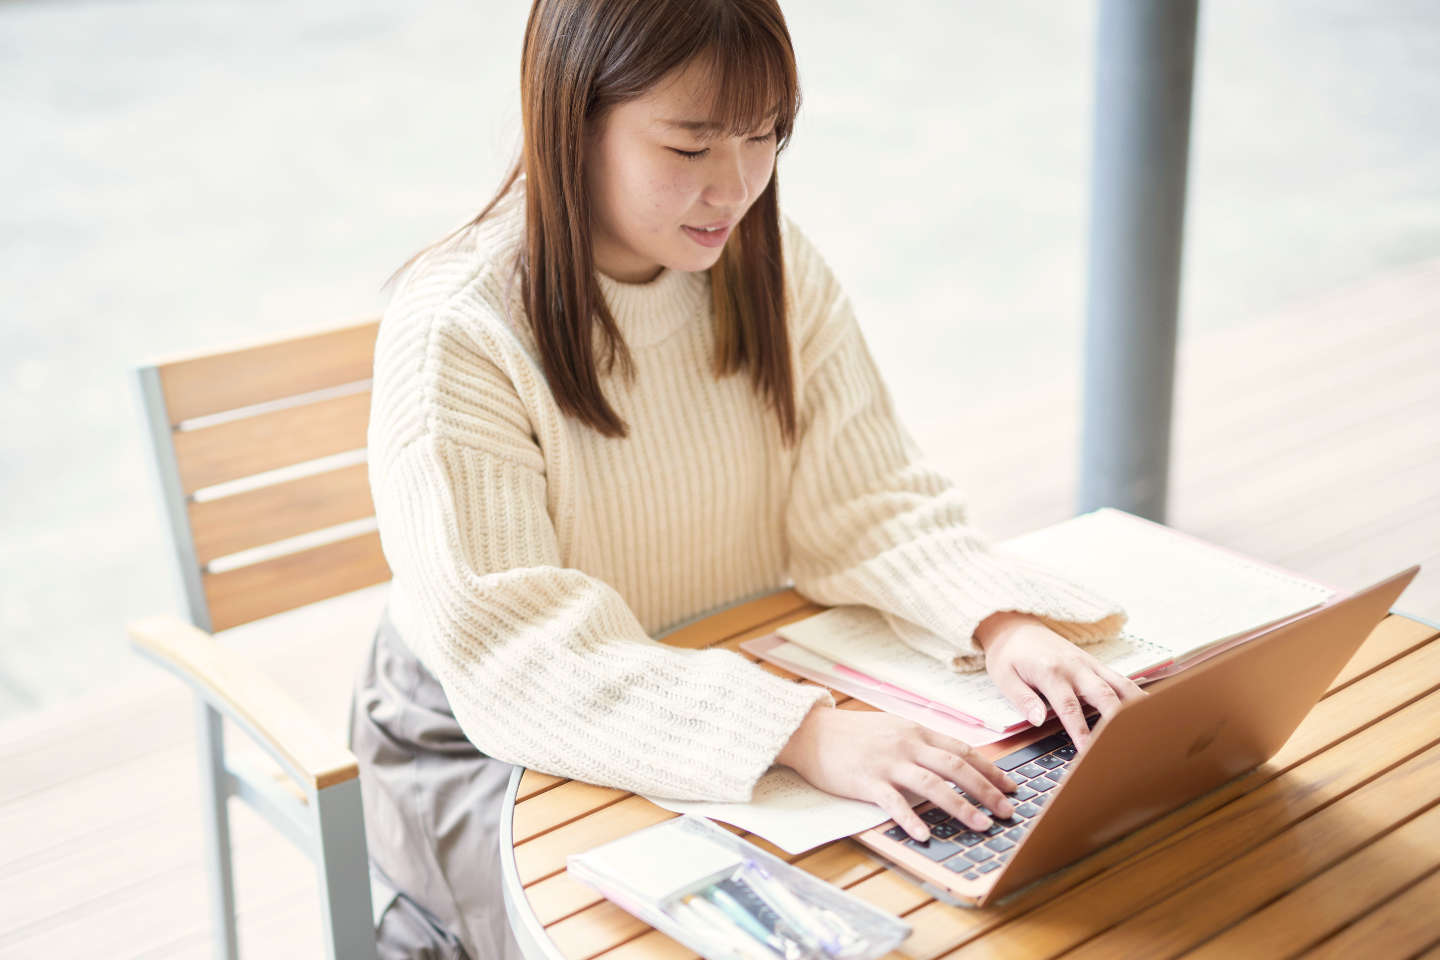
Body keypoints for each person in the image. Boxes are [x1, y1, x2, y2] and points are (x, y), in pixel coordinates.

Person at [350, 0, 1146, 956]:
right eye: (689, 147)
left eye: (765, 136)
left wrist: (999, 622)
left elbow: (864, 498)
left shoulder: (767, 261)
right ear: (572, 122)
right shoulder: (461, 330)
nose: (734, 187)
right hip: (490, 740)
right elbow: (519, 654)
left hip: (715, 675)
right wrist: (805, 734)